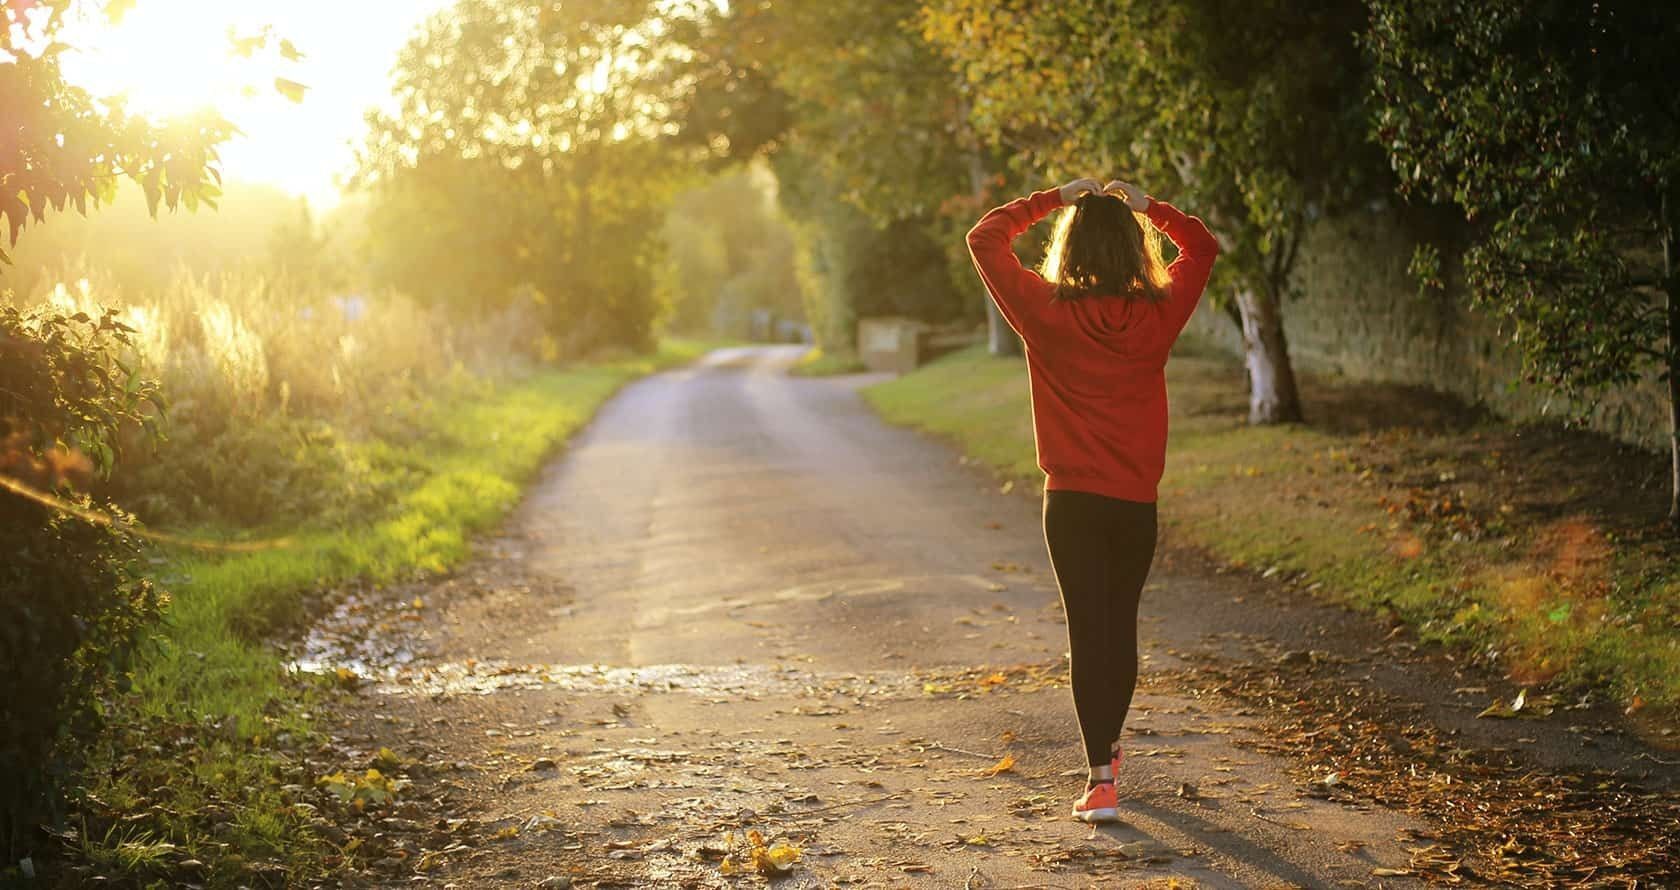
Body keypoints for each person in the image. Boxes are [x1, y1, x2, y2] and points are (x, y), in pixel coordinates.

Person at [965, 177, 1218, 823]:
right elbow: (1203, 246)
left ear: (1069, 247)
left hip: (1071, 502)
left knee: (1087, 631)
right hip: (1134, 502)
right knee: (1120, 627)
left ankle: (1100, 778)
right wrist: (1150, 207)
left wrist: (1053, 198)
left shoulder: (1044, 310)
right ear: (1135, 250)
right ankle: (1106, 747)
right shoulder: (1159, 313)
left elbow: (984, 237)